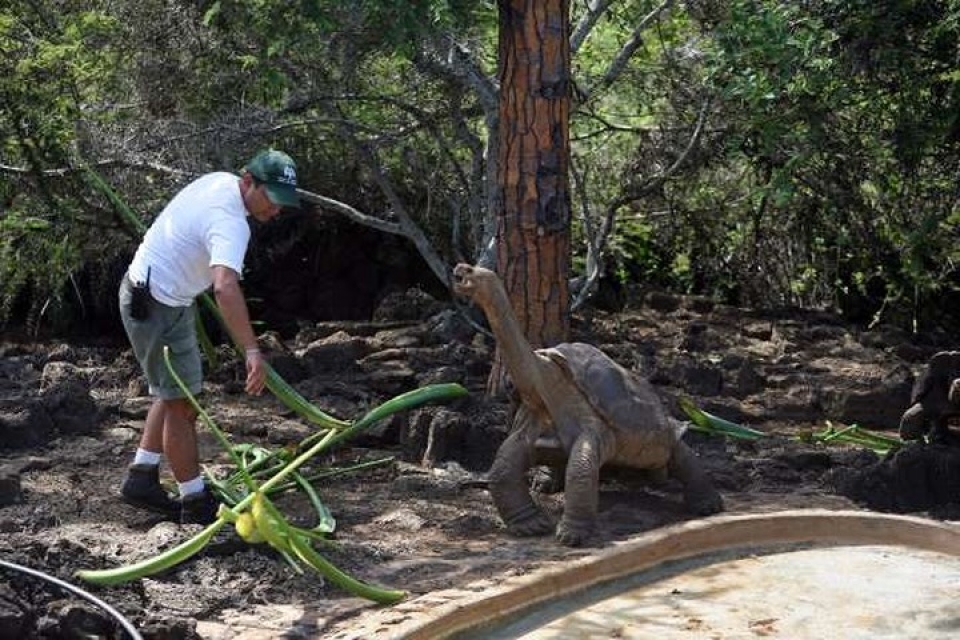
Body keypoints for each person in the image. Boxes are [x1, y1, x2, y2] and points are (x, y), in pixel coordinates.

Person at [117, 149, 299, 524]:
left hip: (166, 296)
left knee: (172, 394)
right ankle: (195, 501)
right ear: (249, 181)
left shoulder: (219, 181)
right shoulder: (232, 222)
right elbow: (224, 287)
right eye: (271, 199)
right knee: (182, 406)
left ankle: (142, 476)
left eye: (283, 203)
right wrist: (251, 350)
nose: (276, 210)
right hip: (154, 304)